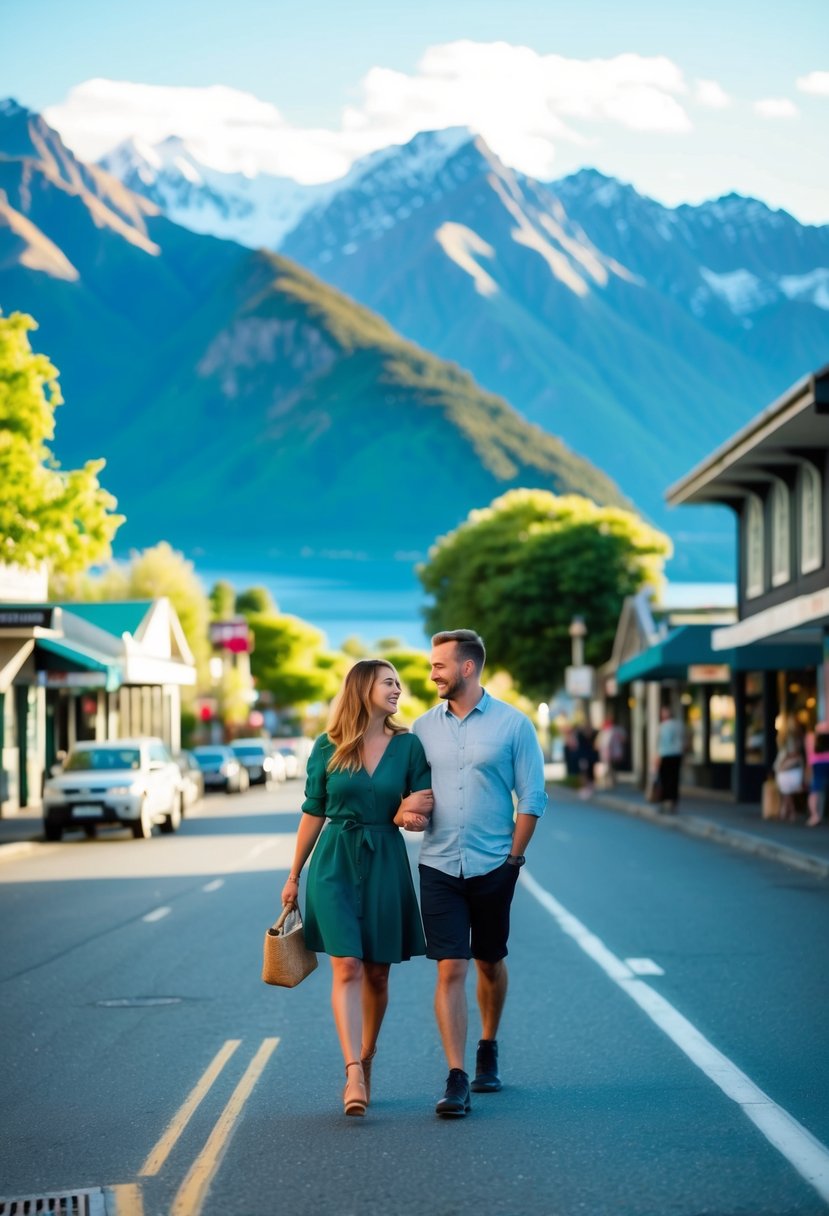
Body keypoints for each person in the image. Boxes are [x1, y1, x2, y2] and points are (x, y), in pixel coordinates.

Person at [280, 660, 433, 1117]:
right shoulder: (326, 747)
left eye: (398, 683)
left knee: (378, 972)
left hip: (385, 859)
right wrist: (293, 876)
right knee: (346, 965)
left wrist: (407, 813)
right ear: (363, 687)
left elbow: (423, 810)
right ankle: (352, 1071)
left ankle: (367, 1056)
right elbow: (314, 812)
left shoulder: (408, 747)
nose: (398, 689)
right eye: (389, 682)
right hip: (334, 862)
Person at [410, 629, 547, 1118]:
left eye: (439, 665)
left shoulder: (514, 726)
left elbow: (532, 797)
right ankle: (456, 1076)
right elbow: (403, 794)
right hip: (438, 864)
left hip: (494, 866)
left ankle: (488, 1044)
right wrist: (405, 808)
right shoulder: (421, 729)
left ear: (467, 667)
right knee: (451, 966)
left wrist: (513, 861)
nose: (432, 674)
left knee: (489, 960)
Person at [655, 704, 684, 813]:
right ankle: (672, 802)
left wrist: (657, 757)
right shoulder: (678, 725)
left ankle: (666, 801)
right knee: (673, 779)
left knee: (665, 779)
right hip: (676, 754)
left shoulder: (663, 726)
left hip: (666, 755)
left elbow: (660, 743)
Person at [774, 725, 806, 822]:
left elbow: (794, 759)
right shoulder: (786, 747)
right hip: (788, 772)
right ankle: (789, 812)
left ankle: (788, 812)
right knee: (786, 794)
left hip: (790, 772)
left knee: (786, 793)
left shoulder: (792, 747)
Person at [805, 719, 829, 828]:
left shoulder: (812, 737)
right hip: (818, 764)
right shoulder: (812, 737)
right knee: (816, 790)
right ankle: (815, 815)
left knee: (816, 790)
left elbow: (809, 754)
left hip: (818, 764)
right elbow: (810, 753)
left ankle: (815, 815)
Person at [596, 717, 626, 789]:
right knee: (611, 767)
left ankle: (610, 781)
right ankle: (610, 781)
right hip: (613, 752)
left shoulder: (609, 731)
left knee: (610, 767)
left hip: (609, 752)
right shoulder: (614, 730)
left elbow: (603, 743)